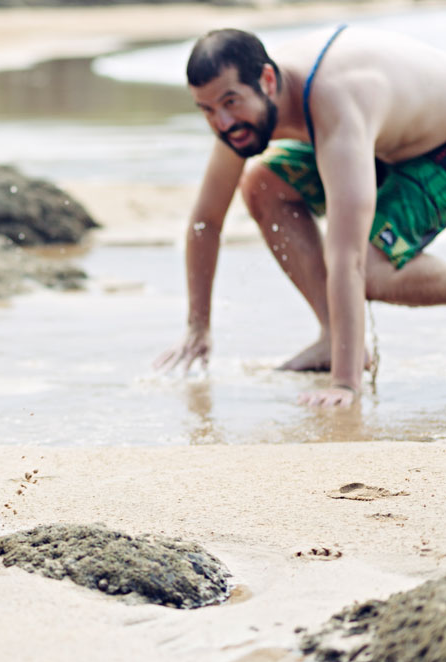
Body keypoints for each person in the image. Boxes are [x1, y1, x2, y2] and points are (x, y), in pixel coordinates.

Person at [155, 26, 446, 407]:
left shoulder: (335, 102)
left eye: (230, 103)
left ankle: (346, 358)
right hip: (383, 139)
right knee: (262, 183)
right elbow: (206, 220)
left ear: (268, 79)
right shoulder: (243, 110)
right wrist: (198, 326)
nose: (223, 123)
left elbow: (348, 258)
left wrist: (345, 385)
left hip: (435, 147)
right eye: (208, 110)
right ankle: (333, 337)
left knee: (370, 271)